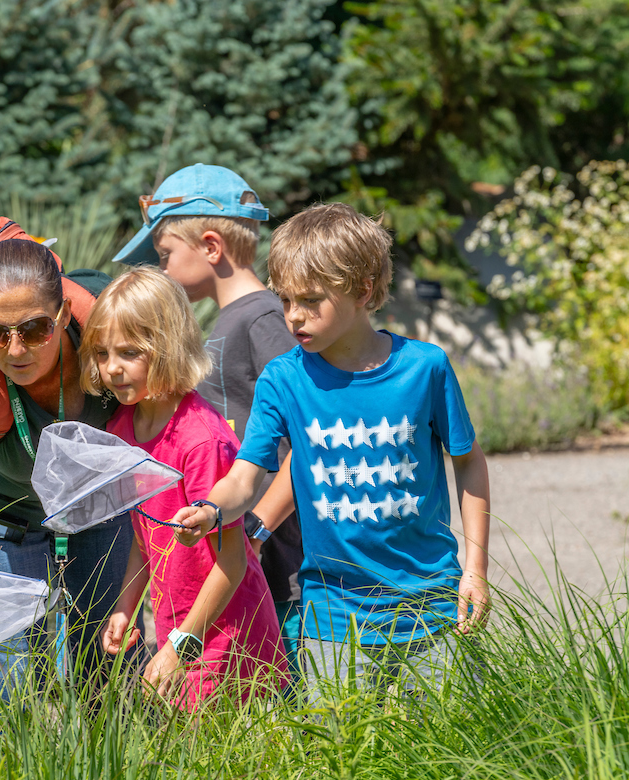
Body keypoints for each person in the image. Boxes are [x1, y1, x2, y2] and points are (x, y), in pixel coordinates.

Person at [170, 203, 491, 704]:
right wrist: (214, 509)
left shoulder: (426, 368)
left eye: (311, 301)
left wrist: (475, 570)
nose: (294, 315)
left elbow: (468, 461)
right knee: (335, 761)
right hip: (331, 616)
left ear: (362, 289)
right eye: (286, 300)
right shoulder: (284, 379)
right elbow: (245, 477)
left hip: (430, 605)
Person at [0, 238, 137, 700]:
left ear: (62, 316)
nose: (16, 349)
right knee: (14, 690)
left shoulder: (107, 330)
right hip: (3, 523)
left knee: (108, 673)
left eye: (36, 329)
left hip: (100, 506)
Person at [113, 163, 304, 677]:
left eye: (166, 254)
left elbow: (306, 439)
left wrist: (257, 527)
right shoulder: (230, 320)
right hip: (240, 546)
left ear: (212, 246)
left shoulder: (261, 318)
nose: (164, 269)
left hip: (280, 557)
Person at [81, 268, 288, 708]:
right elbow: (146, 532)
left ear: (166, 347)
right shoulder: (125, 427)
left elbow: (232, 561)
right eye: (101, 353)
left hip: (228, 634)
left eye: (129, 352)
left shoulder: (199, 440)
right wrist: (126, 606)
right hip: (180, 626)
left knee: (225, 767)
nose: (112, 368)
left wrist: (180, 645)